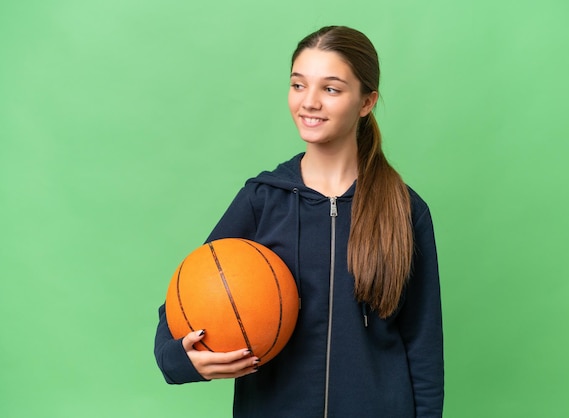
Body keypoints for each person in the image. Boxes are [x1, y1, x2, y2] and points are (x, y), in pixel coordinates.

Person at [154, 25, 444, 417]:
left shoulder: (406, 211)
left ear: (366, 102)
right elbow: (185, 299)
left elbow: (423, 345)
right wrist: (180, 361)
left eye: (331, 89)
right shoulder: (262, 200)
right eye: (298, 85)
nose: (309, 102)